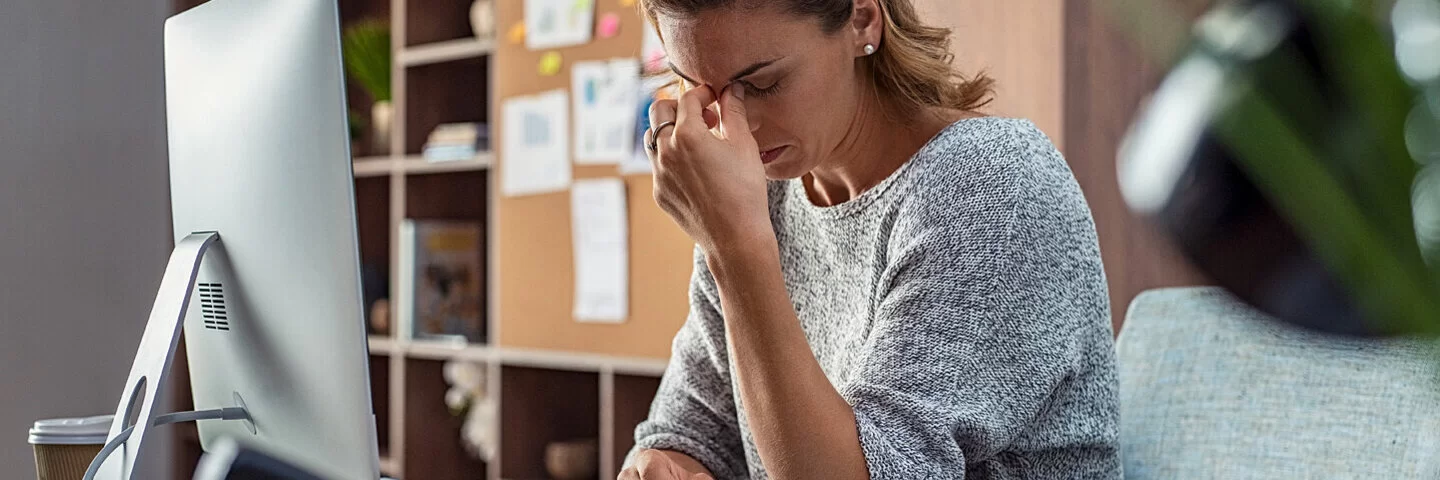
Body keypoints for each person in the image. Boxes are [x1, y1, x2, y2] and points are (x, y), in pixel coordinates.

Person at [623, 0, 1120, 478]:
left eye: (763, 84)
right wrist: (666, 465)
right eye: (699, 89)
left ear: (861, 21)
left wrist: (735, 249)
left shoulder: (992, 185)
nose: (738, 128)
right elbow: (696, 430)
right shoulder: (766, 199)